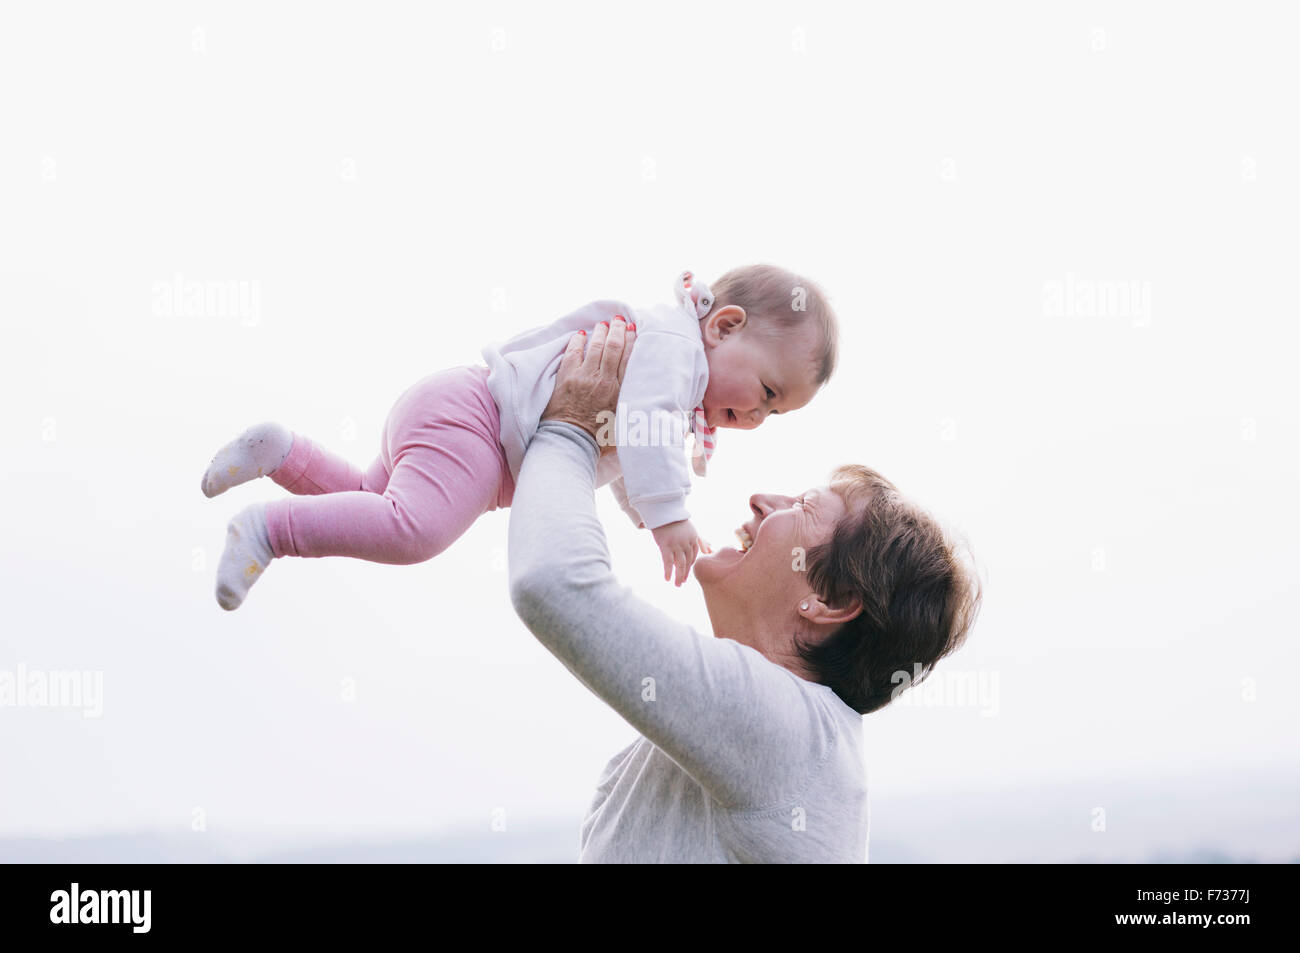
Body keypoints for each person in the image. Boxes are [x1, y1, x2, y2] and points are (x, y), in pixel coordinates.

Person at [509, 318, 980, 862]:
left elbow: (552, 584)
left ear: (828, 604)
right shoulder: (741, 741)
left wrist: (568, 428)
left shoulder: (789, 735)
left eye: (803, 507)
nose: (761, 499)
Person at [200, 264, 838, 609]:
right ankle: (269, 531)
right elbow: (642, 430)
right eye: (768, 392)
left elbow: (616, 444)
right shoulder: (676, 352)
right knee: (412, 532)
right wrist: (668, 515)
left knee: (371, 498)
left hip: (457, 408)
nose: (758, 417)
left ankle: (282, 453)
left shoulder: (669, 370)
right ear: (725, 326)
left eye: (775, 416)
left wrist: (638, 507)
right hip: (474, 428)